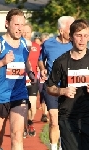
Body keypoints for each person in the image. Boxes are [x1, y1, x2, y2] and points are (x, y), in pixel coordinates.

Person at [0, 8, 36, 150]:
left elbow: (26, 62)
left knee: (17, 135)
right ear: (7, 24)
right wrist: (2, 62)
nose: (20, 29)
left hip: (19, 95)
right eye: (16, 25)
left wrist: (31, 74)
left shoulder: (25, 44)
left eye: (22, 25)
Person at [46, 19, 89, 150]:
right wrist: (62, 91)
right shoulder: (61, 61)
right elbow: (49, 87)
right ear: (71, 37)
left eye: (86, 36)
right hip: (68, 116)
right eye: (78, 35)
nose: (82, 40)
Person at [39, 16, 75, 150]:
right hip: (52, 87)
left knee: (65, 121)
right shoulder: (48, 44)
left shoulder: (75, 44)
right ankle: (54, 148)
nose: (73, 33)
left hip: (70, 88)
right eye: (70, 29)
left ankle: (62, 146)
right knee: (54, 120)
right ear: (61, 31)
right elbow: (41, 59)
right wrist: (42, 69)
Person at [22, 23, 41, 138]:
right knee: (22, 106)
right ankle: (23, 127)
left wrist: (42, 69)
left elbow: (40, 60)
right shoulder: (17, 45)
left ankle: (30, 122)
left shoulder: (36, 46)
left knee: (32, 106)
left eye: (28, 32)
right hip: (19, 80)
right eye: (23, 31)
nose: (25, 34)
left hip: (32, 79)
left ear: (31, 33)